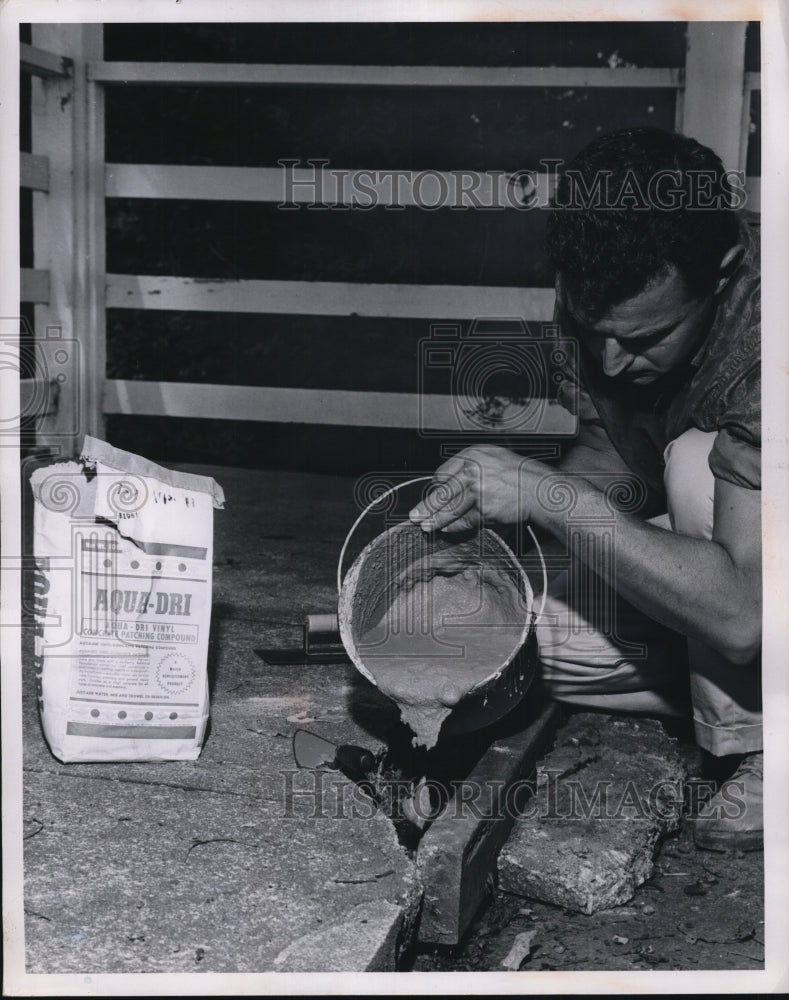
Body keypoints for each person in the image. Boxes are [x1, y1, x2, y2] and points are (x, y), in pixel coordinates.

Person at [409, 126, 762, 851]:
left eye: (642, 339)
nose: (610, 358)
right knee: (530, 646)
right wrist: (500, 539)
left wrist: (546, 495)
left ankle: (766, 742)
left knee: (695, 467)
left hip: (757, 590)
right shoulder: (600, 312)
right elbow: (613, 453)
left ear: (723, 273)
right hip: (746, 568)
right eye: (591, 327)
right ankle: (730, 699)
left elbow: (744, 617)